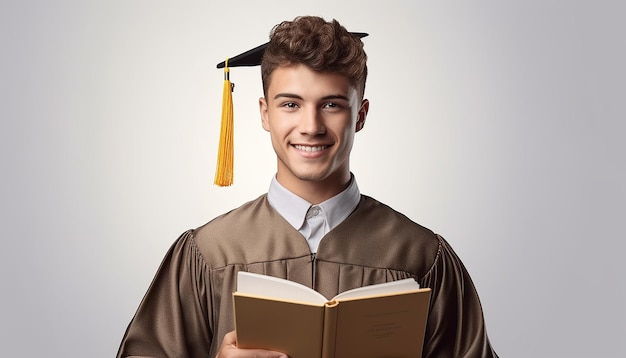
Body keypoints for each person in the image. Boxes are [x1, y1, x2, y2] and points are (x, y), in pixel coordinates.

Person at [117, 16, 498, 358]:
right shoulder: (209, 253)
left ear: (360, 115)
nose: (311, 125)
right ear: (265, 113)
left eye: (331, 105)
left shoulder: (420, 257)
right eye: (291, 104)